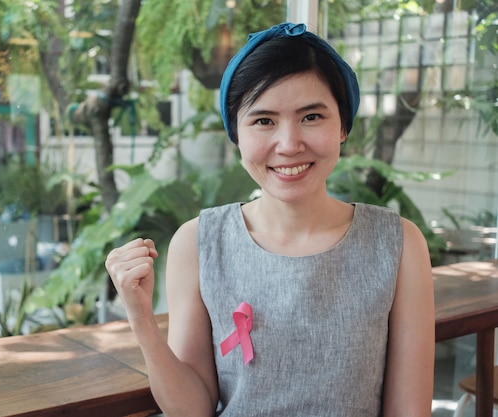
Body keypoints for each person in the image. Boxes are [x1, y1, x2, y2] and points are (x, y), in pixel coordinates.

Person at [105, 22, 435, 417]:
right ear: (236, 134)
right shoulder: (198, 243)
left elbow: (410, 411)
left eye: (311, 117)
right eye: (263, 121)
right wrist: (141, 319)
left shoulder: (397, 243)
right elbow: (192, 410)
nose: (289, 144)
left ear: (343, 126)